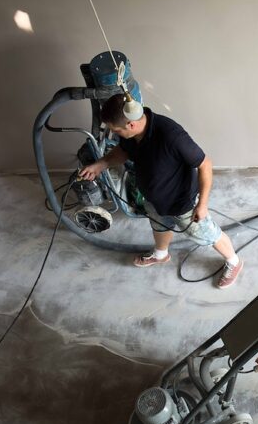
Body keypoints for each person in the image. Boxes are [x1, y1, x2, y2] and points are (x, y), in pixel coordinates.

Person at [79, 94, 242, 288]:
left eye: (116, 130)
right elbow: (123, 151)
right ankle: (160, 254)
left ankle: (234, 262)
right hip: (153, 197)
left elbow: (205, 164)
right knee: (159, 225)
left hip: (181, 202)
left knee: (206, 234)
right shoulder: (132, 134)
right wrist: (100, 164)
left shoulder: (171, 136)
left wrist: (203, 204)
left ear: (130, 125)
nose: (114, 134)